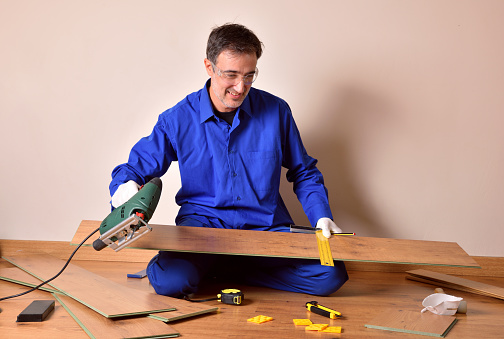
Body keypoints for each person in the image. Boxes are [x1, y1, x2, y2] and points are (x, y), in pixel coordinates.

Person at [109, 23, 349, 297]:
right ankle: (219, 265)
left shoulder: (276, 111)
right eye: (231, 75)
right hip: (202, 227)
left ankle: (221, 268)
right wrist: (124, 187)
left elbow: (304, 171)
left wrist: (322, 216)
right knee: (170, 282)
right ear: (209, 67)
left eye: (249, 76)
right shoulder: (177, 119)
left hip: (266, 228)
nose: (240, 86)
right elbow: (133, 169)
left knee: (331, 275)